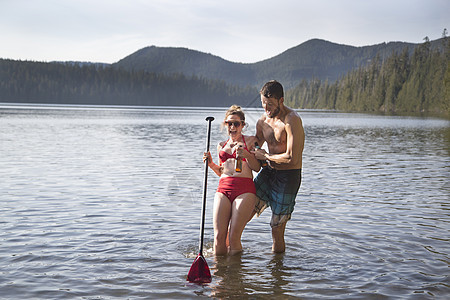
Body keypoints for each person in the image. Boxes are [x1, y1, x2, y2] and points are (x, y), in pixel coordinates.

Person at [252, 80, 305, 253]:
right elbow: (255, 144)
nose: (266, 109)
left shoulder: (292, 120)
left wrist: (266, 156)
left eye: (270, 105)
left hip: (288, 176)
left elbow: (292, 157)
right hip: (269, 172)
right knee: (243, 207)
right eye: (263, 104)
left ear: (281, 101)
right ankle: (233, 260)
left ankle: (277, 272)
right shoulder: (262, 122)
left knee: (276, 228)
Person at [203, 105, 261, 256]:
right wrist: (211, 164)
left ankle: (235, 277)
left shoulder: (250, 141)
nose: (233, 127)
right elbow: (222, 171)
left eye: (236, 123)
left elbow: (257, 168)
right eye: (230, 123)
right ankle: (220, 276)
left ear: (242, 125)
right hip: (223, 189)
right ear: (225, 125)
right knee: (218, 237)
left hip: (245, 190)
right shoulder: (221, 146)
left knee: (233, 237)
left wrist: (247, 155)